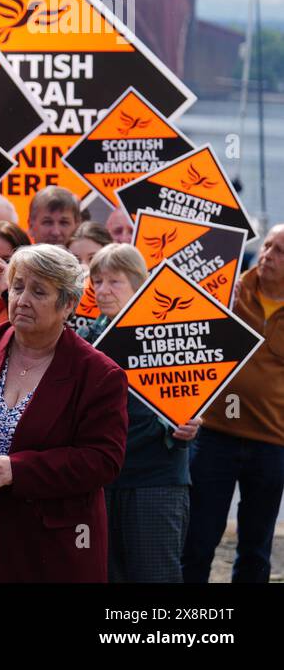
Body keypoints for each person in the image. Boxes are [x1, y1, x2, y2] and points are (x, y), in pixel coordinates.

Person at [0, 243, 128, 582]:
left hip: (42, 552)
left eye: (38, 291)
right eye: (17, 286)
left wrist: (21, 470)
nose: (22, 300)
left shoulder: (98, 374)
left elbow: (104, 459)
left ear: (68, 305)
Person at [78, 243, 199, 583]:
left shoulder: (171, 339)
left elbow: (193, 399)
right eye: (97, 281)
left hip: (155, 480)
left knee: (155, 576)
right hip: (100, 482)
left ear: (139, 285)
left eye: (113, 281)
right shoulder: (84, 340)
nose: (102, 290)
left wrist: (190, 424)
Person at [183, 223, 284, 583]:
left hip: (273, 444)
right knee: (197, 540)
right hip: (214, 436)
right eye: (268, 246)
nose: (268, 256)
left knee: (256, 549)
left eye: (280, 251)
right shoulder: (229, 288)